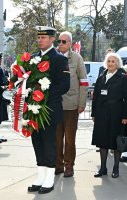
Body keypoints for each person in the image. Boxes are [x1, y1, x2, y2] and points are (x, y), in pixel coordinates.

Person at [27, 26, 70, 194]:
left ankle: (50, 178)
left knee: (49, 143)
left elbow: (65, 85)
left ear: (52, 39)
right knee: (37, 142)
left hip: (49, 109)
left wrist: (43, 95)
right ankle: (40, 176)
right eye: (38, 37)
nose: (40, 40)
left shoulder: (58, 59)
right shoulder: (32, 58)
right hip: (33, 109)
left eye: (44, 37)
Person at [91, 53, 127, 178]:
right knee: (102, 141)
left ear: (118, 63)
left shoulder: (123, 77)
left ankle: (116, 168)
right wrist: (94, 113)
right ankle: (103, 168)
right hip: (101, 113)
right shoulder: (102, 76)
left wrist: (126, 116)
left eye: (113, 61)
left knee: (116, 142)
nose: (110, 63)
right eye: (109, 61)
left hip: (117, 113)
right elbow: (96, 97)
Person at [55, 31, 88, 178]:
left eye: (64, 41)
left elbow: (84, 81)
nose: (60, 44)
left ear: (70, 43)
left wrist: (81, 103)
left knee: (69, 139)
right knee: (56, 138)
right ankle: (58, 165)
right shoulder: (53, 57)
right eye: (59, 41)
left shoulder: (76, 58)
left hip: (71, 105)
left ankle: (69, 166)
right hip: (55, 104)